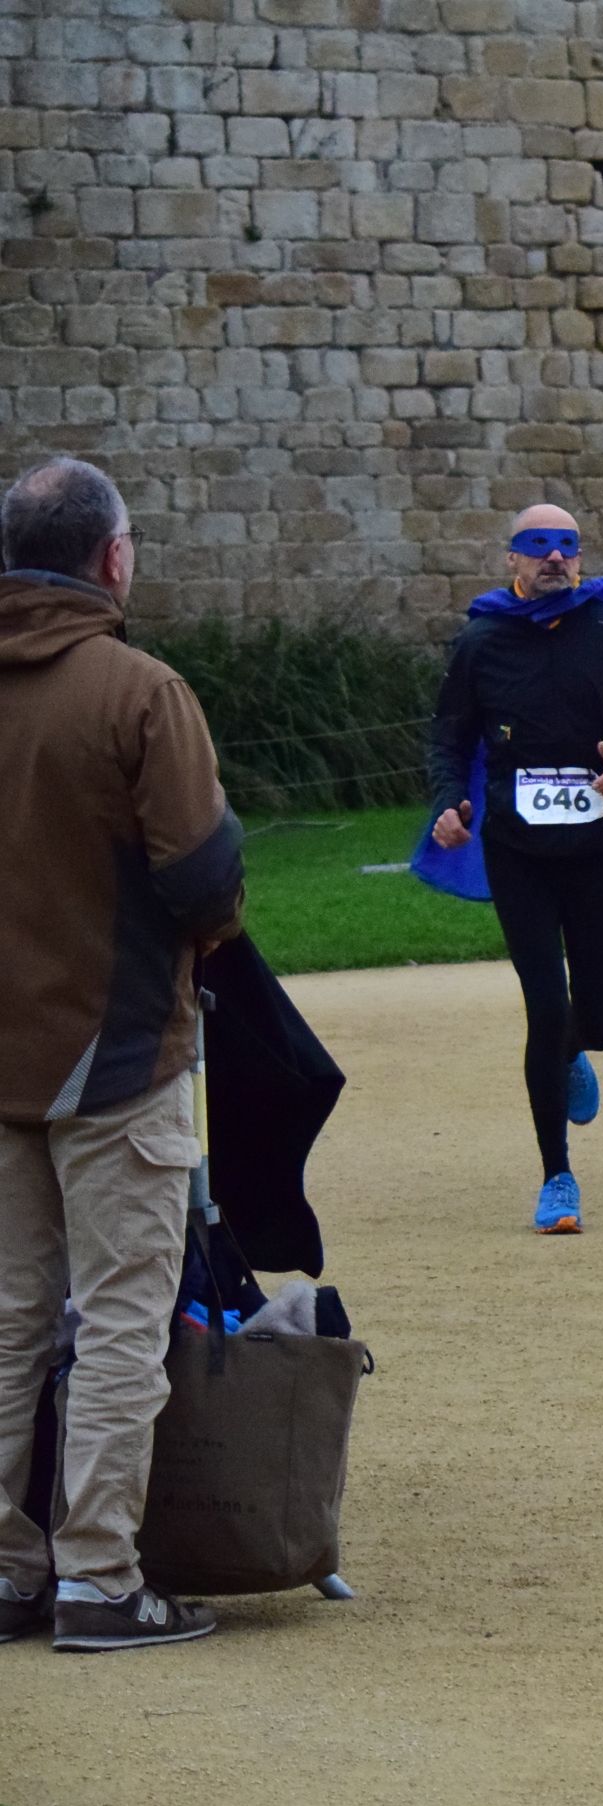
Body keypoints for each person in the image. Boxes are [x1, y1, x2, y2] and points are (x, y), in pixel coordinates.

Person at [0, 455, 243, 1652]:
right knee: (120, 1319)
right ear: (112, 556)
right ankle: (98, 1576)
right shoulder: (140, 690)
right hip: (116, 1049)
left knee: (7, 1320)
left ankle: (7, 1570)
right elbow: (202, 878)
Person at [429, 504, 603, 1233]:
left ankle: (575, 1051)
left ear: (580, 556)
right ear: (512, 559)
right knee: (545, 1008)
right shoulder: (483, 638)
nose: (554, 558)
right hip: (519, 852)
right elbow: (448, 738)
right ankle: (557, 1176)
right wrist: (448, 802)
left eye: (566, 545)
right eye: (537, 546)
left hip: (598, 849)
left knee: (596, 1020)